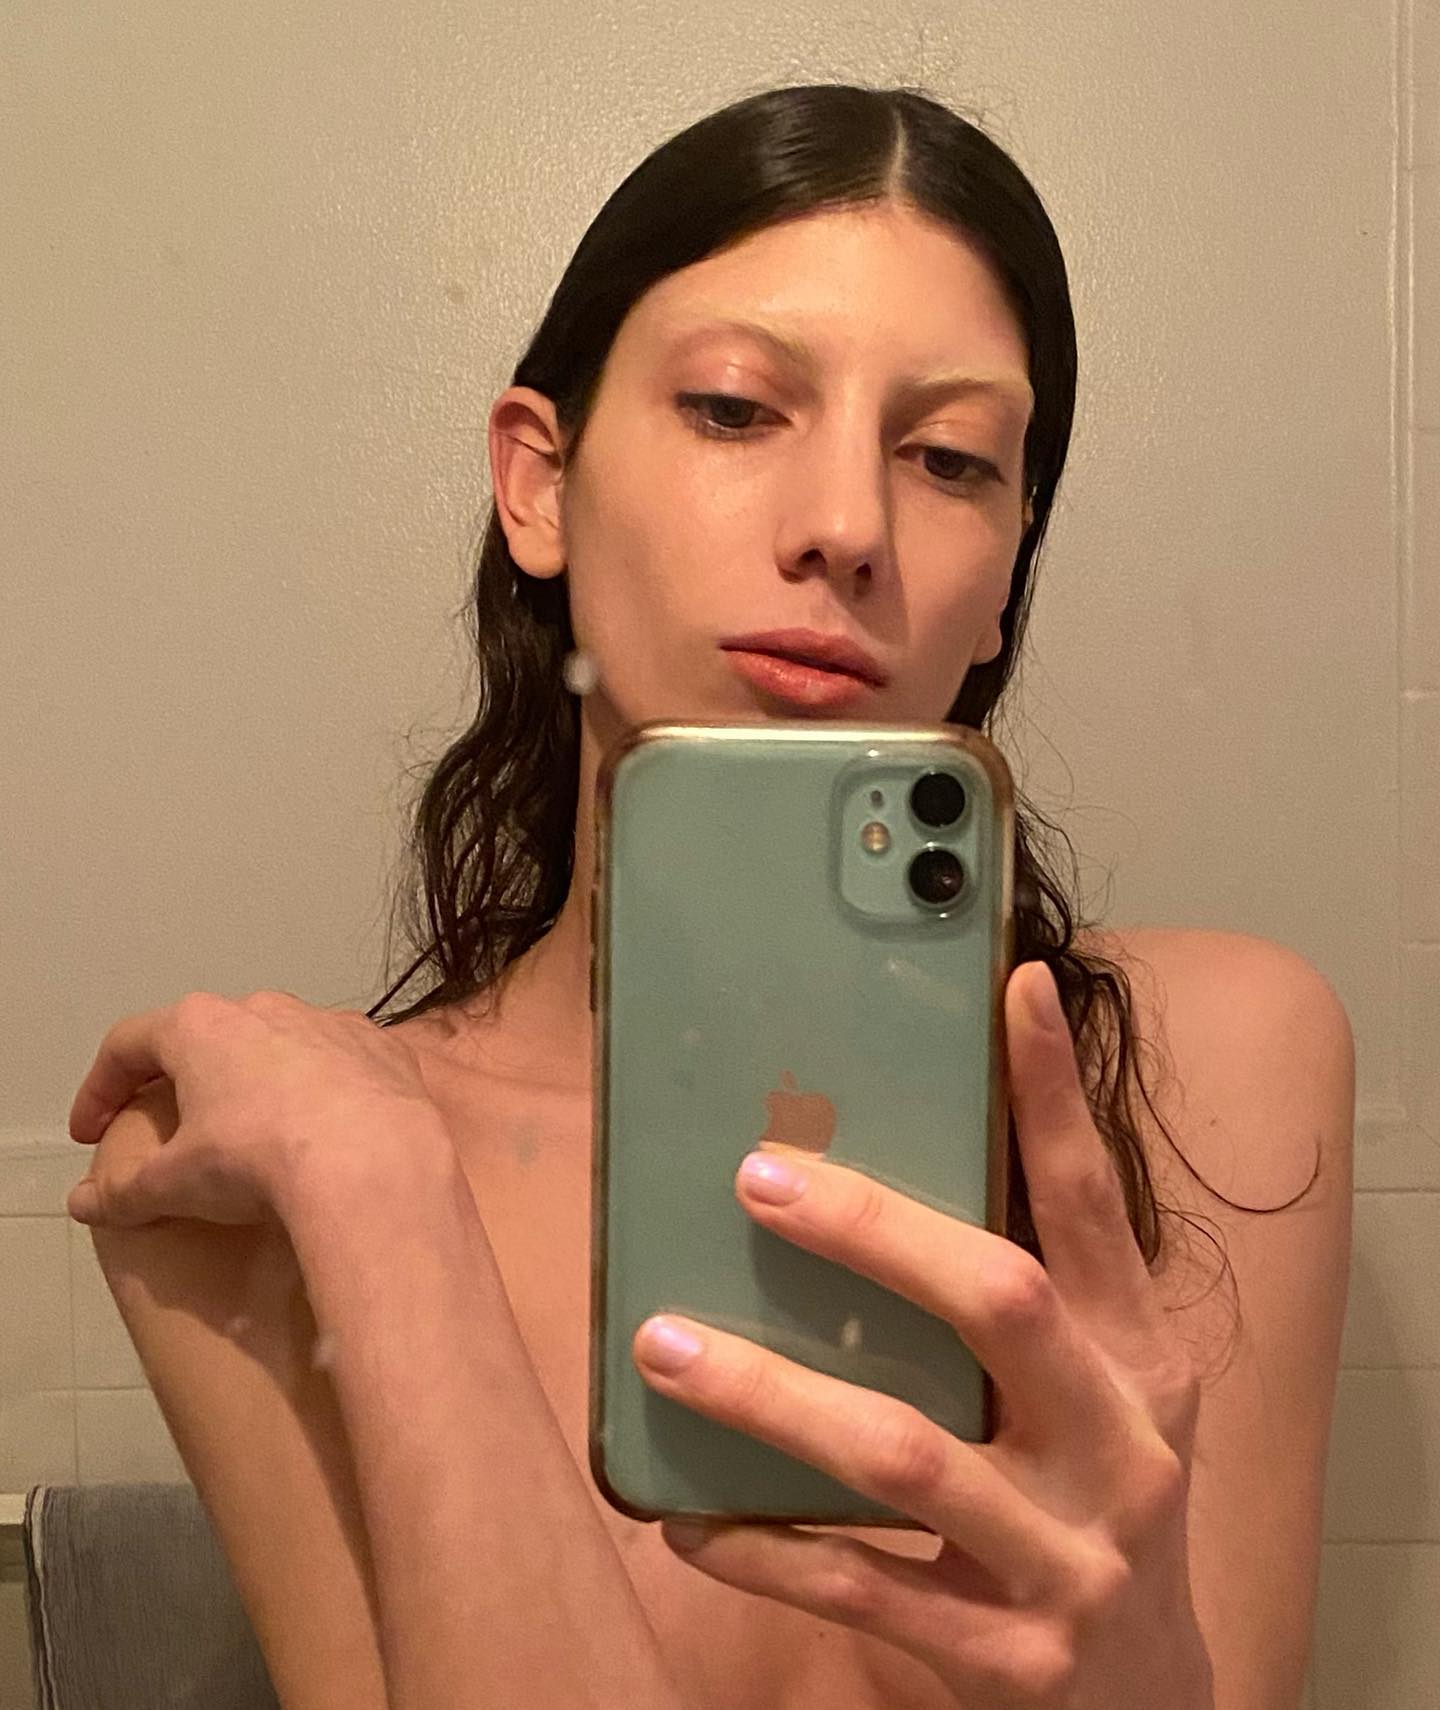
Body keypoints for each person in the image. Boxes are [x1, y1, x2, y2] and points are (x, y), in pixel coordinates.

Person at [64, 83, 1354, 1710]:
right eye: (738, 408)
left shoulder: (1201, 1068)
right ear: (538, 484)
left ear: (1005, 582)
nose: (848, 528)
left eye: (951, 458)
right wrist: (387, 1206)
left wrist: (1142, 1680)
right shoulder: (255, 1166)